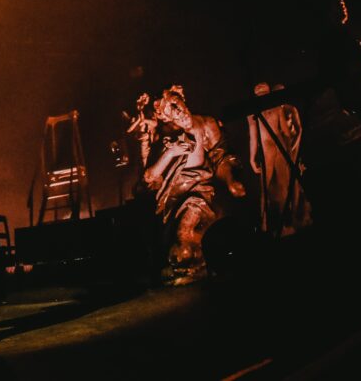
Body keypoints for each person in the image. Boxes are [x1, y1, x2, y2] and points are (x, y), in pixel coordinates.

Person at [132, 85, 245, 285]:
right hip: (173, 200)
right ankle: (193, 263)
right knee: (179, 250)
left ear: (183, 99)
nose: (177, 112)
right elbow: (149, 177)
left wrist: (230, 180)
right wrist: (171, 153)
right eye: (170, 111)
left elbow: (220, 157)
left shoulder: (206, 124)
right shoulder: (164, 137)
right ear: (165, 117)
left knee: (195, 241)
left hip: (201, 193)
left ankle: (200, 261)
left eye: (176, 104)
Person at [247, 82, 311, 235]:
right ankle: (279, 220)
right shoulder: (273, 107)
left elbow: (253, 137)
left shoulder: (254, 111)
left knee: (273, 186)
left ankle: (272, 222)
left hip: (273, 147)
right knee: (282, 185)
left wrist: (252, 157)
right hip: (278, 145)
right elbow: (284, 132)